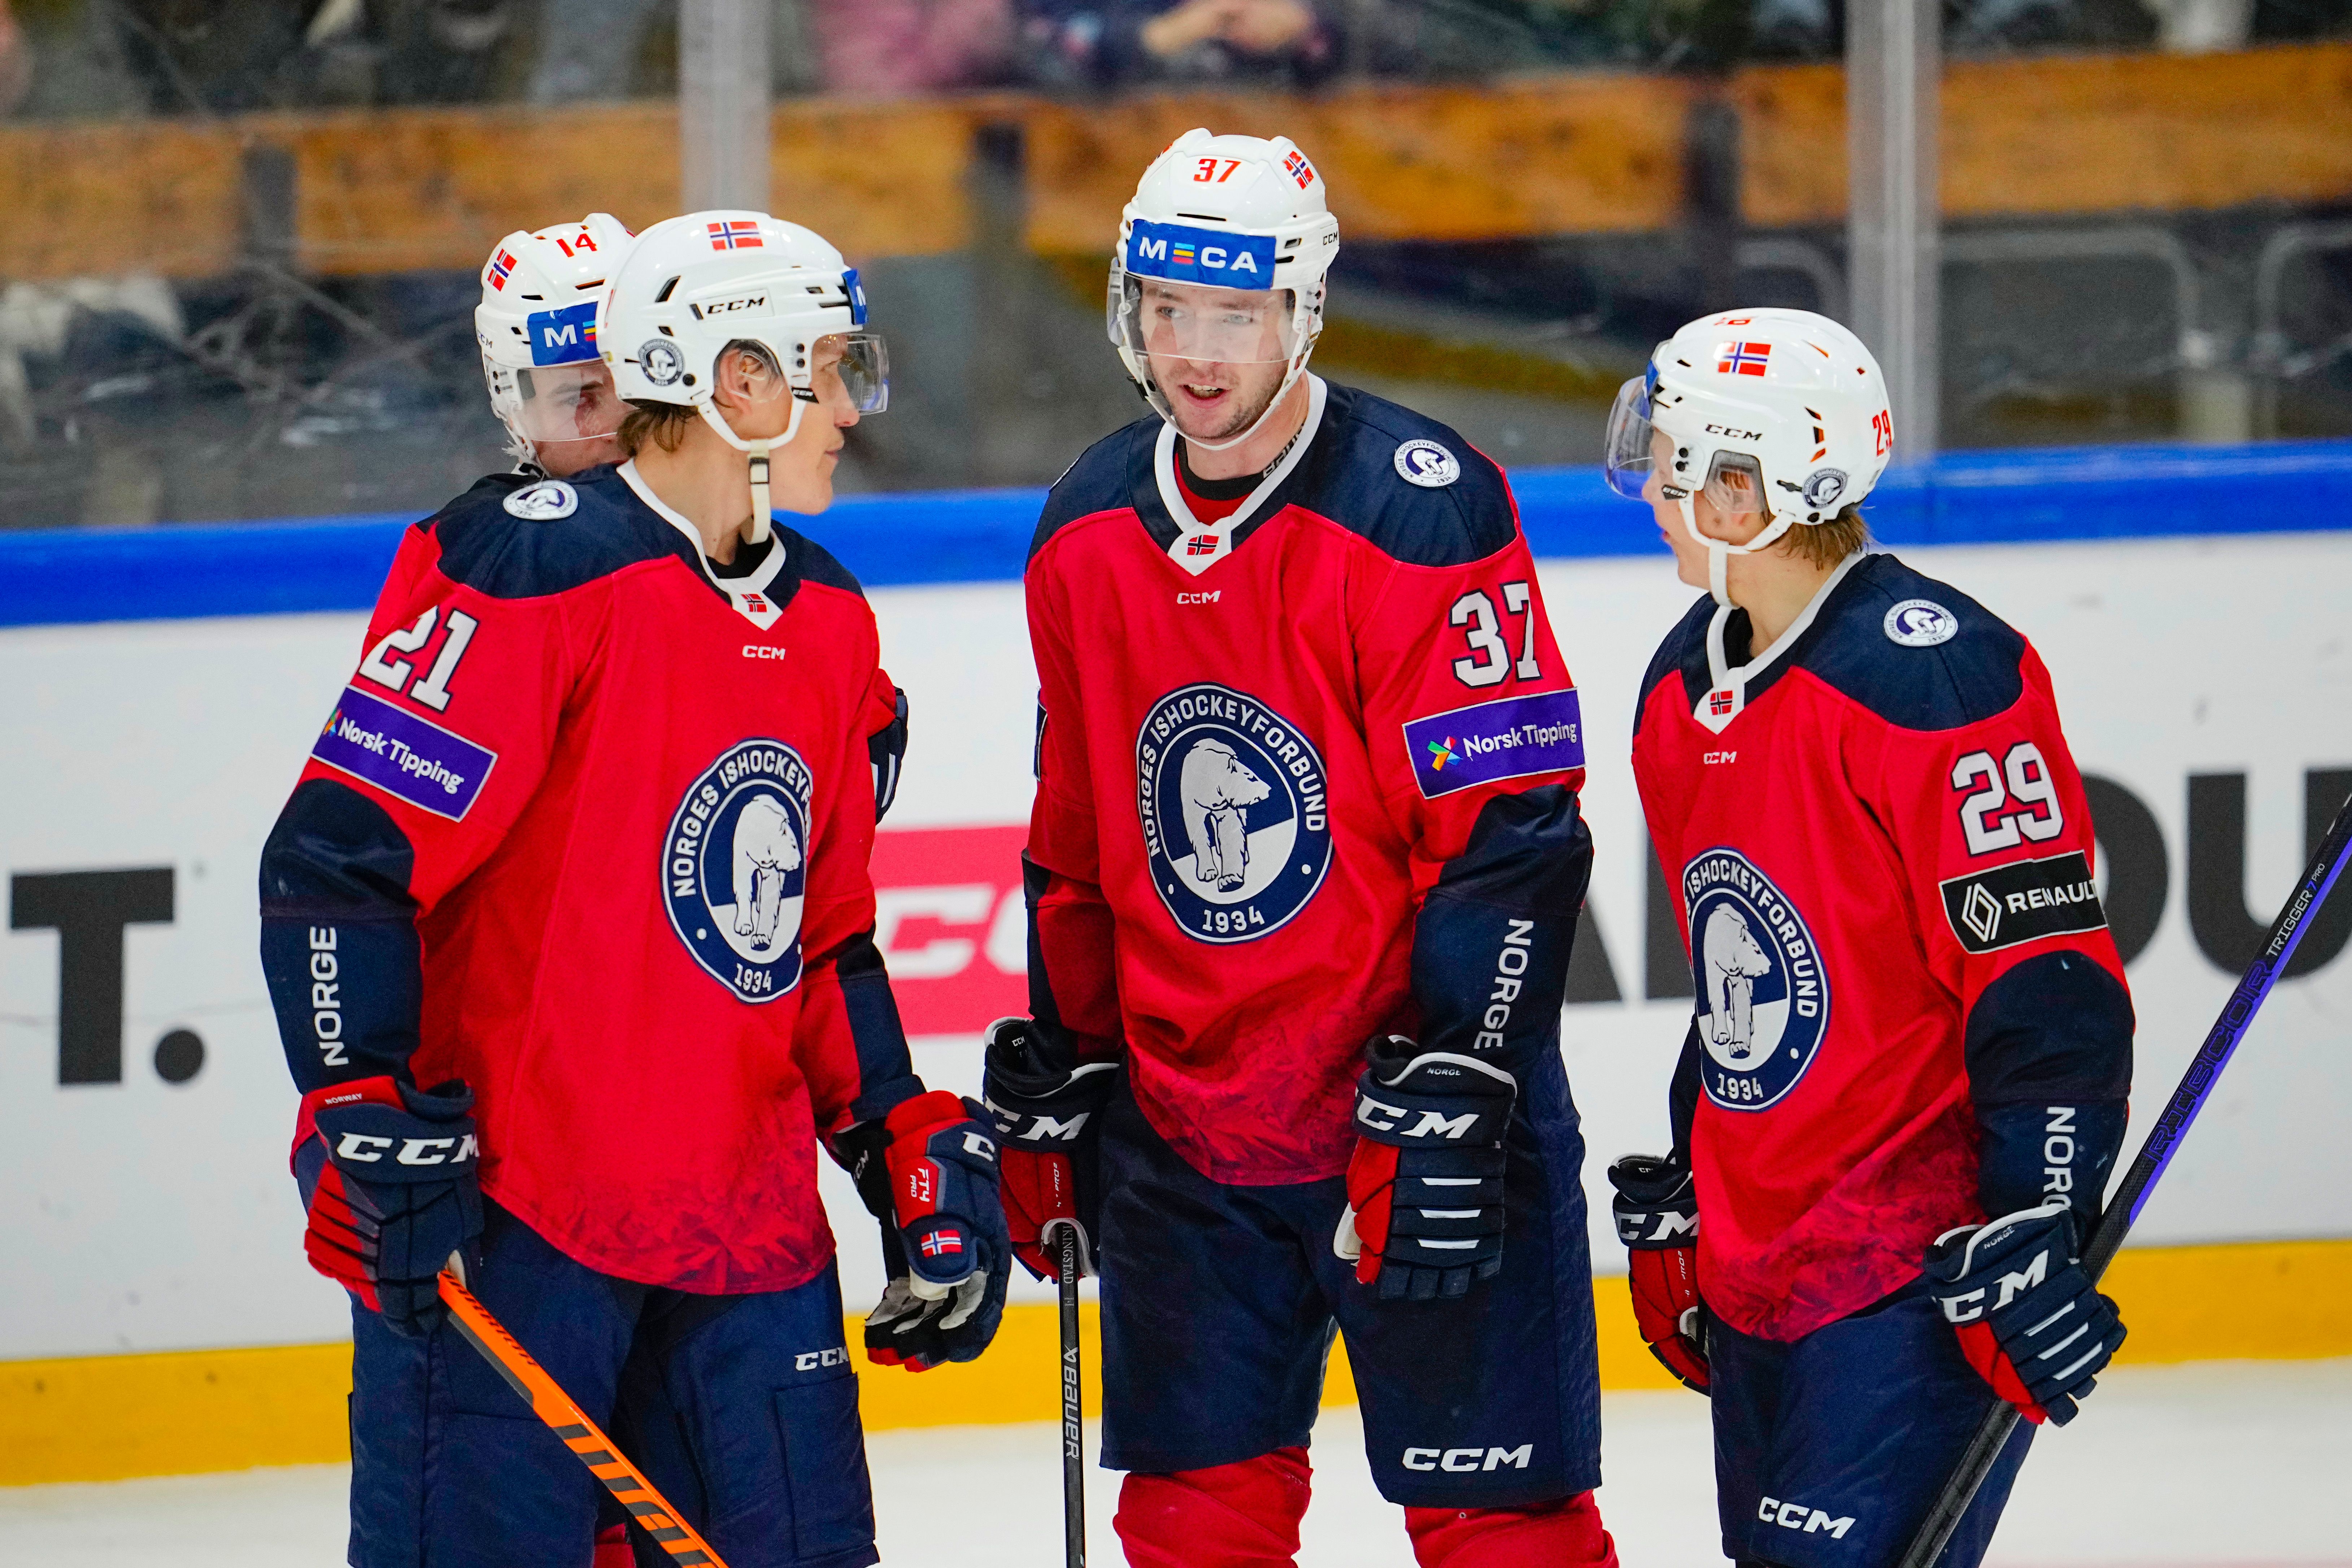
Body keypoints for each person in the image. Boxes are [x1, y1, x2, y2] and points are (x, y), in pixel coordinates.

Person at [258, 208, 1009, 1568]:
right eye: (828, 369)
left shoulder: (832, 618)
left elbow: (818, 940)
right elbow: (340, 859)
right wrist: (353, 1097)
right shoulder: (533, 565)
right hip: (521, 1220)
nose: (853, 406)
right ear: (737, 380)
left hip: (750, 1235)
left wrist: (892, 1132)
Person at [981, 129, 1616, 1568]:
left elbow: (1511, 833)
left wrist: (1464, 1075)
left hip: (1413, 1106)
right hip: (1189, 1131)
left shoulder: (1419, 503)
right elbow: (1077, 843)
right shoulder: (1086, 523)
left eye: (1236, 314)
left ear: (1304, 309)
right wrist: (1071, 1059)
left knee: (1500, 1529)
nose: (1196, 353)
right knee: (1192, 1524)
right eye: (1168, 309)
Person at [1602, 308, 2133, 1568]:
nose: (1651, 489)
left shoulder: (1936, 679)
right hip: (1762, 1264)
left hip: (1912, 1270)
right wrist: (1693, 1181)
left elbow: (2046, 984)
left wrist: (2041, 1219)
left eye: (1673, 462)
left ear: (1747, 486)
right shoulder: (1683, 682)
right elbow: (1740, 974)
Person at [471, 212, 636, 483]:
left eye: (639, 391)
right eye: (578, 400)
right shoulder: (489, 512)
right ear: (514, 407)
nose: (618, 431)